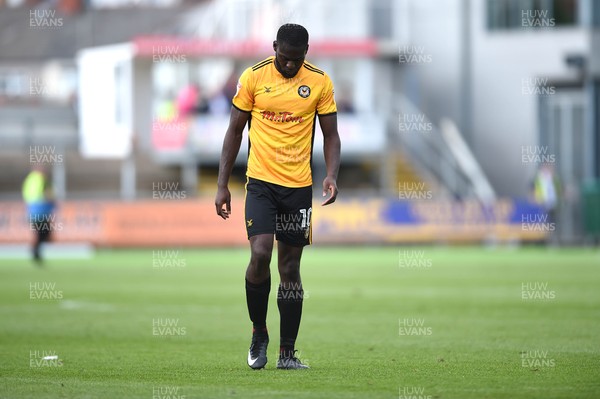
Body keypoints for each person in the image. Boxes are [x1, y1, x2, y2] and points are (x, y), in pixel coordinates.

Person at [215, 23, 341, 370]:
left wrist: (331, 174)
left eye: (296, 60)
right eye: (284, 59)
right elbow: (235, 131)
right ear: (274, 48)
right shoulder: (253, 78)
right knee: (260, 254)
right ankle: (259, 331)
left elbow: (331, 135)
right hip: (260, 184)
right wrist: (223, 184)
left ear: (306, 53)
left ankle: (287, 353)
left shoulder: (319, 82)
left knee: (290, 268)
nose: (289, 66)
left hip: (298, 187)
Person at [22, 166, 55, 265]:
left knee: (41, 233)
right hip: (41, 210)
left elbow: (27, 194)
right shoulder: (41, 179)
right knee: (44, 232)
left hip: (32, 210)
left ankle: (36, 251)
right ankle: (35, 251)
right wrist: (52, 201)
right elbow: (46, 194)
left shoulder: (30, 179)